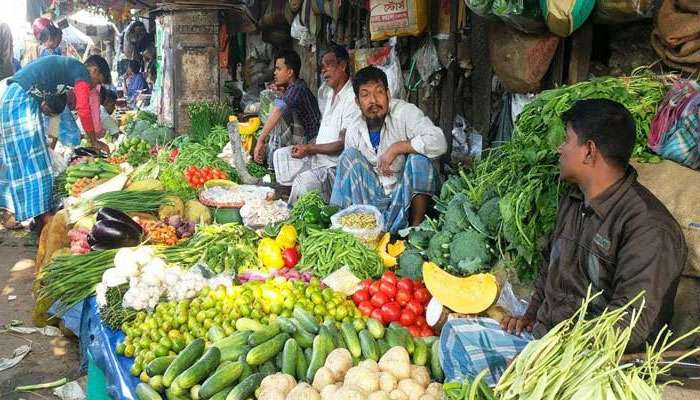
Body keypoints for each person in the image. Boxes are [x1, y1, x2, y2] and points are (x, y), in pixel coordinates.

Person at [439, 99, 687, 386]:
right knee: (456, 334)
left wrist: (548, 359)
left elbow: (633, 325)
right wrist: (530, 317)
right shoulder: (574, 199)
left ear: (589, 151)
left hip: (593, 366)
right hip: (546, 340)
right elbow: (549, 264)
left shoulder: (647, 226)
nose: (560, 148)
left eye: (567, 139)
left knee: (489, 379)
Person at [330, 66, 447, 233]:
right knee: (348, 157)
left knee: (418, 160)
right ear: (357, 102)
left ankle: (415, 230)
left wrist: (399, 147)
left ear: (388, 94)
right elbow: (348, 177)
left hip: (404, 195)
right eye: (365, 95)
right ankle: (353, 228)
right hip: (373, 203)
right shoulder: (354, 129)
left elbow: (439, 141)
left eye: (379, 92)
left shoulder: (405, 113)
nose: (373, 101)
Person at [0, 55, 111, 230]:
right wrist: (94, 141)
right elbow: (83, 109)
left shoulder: (63, 78)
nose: (95, 85)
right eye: (99, 80)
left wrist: (51, 146)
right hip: (19, 100)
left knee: (27, 159)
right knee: (31, 161)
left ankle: (34, 216)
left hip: (17, 99)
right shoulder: (80, 71)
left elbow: (54, 119)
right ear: (95, 70)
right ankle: (40, 217)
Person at [272, 45, 360, 203]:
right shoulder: (328, 93)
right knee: (280, 156)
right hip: (316, 158)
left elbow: (342, 144)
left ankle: (297, 206)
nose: (323, 71)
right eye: (322, 67)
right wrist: (309, 148)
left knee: (303, 183)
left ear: (342, 65)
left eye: (328, 65)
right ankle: (288, 195)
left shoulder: (351, 98)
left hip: (333, 167)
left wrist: (309, 148)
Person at [253, 49, 321, 165]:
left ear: (290, 72)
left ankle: (272, 159)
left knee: (278, 113)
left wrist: (261, 139)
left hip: (312, 142)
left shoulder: (298, 89)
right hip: (305, 139)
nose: (275, 73)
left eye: (278, 69)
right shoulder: (294, 87)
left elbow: (279, 108)